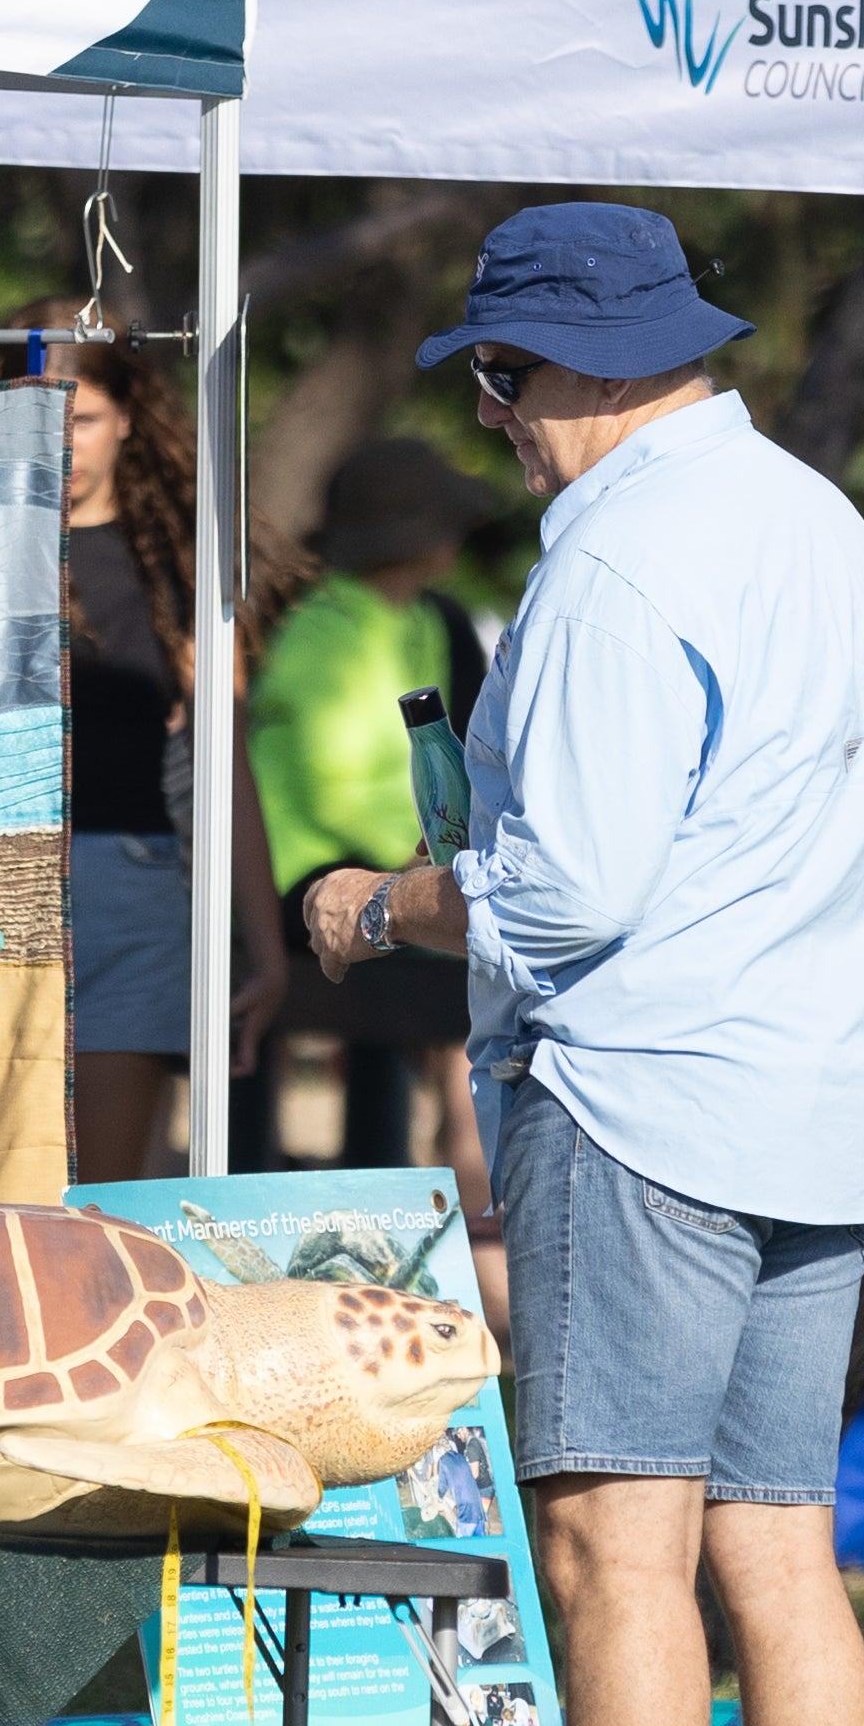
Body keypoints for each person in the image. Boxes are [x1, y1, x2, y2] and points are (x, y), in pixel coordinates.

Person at [296, 204, 864, 1726]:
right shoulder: (832, 532)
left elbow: (561, 890)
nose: (493, 418)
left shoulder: (616, 569)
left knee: (613, 1552)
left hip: (645, 1099)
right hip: (820, 1102)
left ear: (583, 369)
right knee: (782, 1557)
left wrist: (376, 908)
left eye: (498, 376)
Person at [18, 305, 290, 1181]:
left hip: (130, 884)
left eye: (84, 415)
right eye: (35, 411)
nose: (62, 441)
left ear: (129, 418)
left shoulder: (176, 566)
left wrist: (266, 945)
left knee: (101, 1203)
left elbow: (225, 765)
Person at [251, 432, 497, 1239]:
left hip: (388, 864)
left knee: (463, 957)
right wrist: (407, 871)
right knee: (446, 953)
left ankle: (449, 1210)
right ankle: (462, 1216)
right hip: (301, 874)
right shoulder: (319, 626)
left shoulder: (430, 618)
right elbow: (326, 775)